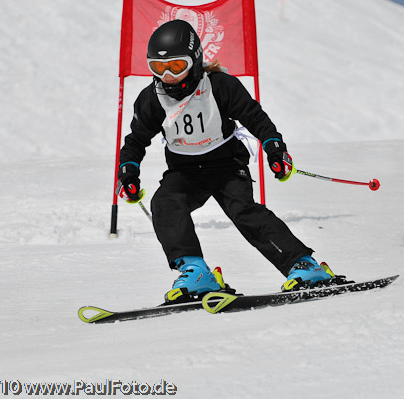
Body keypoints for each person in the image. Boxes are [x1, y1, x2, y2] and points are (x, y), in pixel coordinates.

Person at [117, 20, 335, 301]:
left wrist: (275, 149)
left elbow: (256, 118)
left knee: (243, 211)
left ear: (195, 61)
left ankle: (304, 266)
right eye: (159, 68)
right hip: (184, 171)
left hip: (226, 165)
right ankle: (196, 272)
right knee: (165, 203)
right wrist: (128, 173)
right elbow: (135, 141)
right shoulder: (151, 99)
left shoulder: (219, 85)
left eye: (176, 65)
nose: (168, 75)